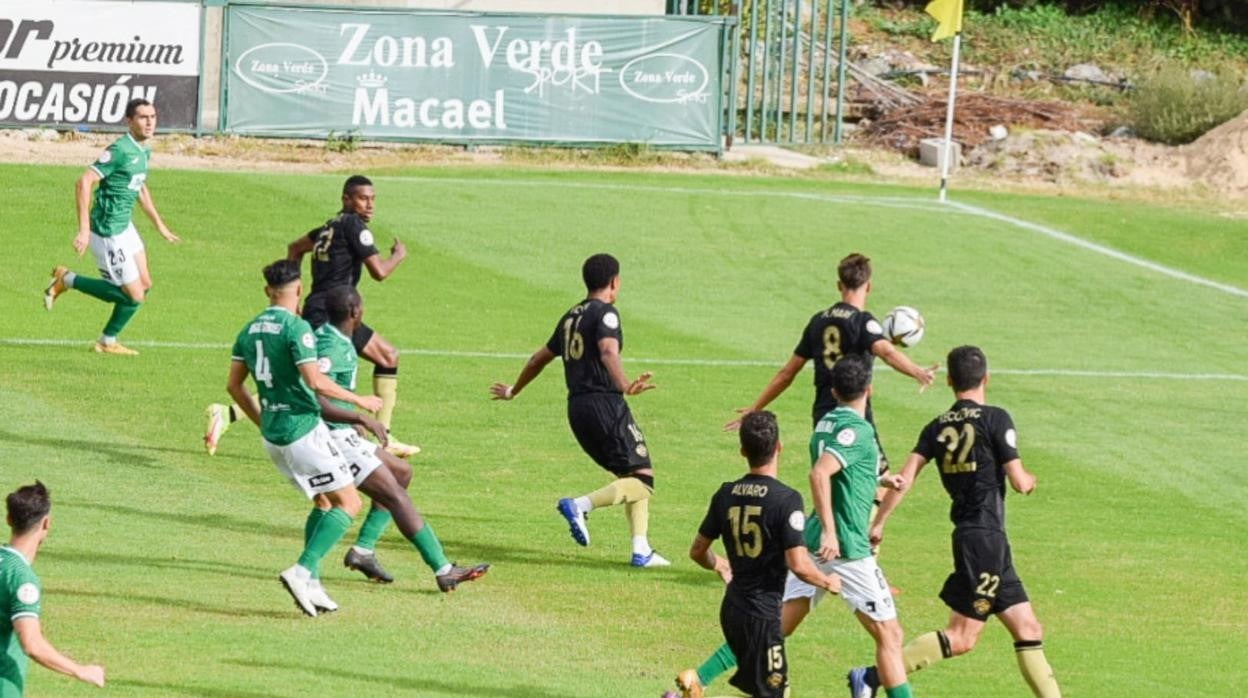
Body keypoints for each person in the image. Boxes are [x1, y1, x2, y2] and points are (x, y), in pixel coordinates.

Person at [677, 357, 914, 698]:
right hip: (847, 547)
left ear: (833, 390)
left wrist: (878, 478)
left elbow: (843, 471)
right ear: (869, 389)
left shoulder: (826, 423)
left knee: (775, 626)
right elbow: (820, 473)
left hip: (814, 541)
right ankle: (870, 684)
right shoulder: (860, 430)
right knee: (890, 637)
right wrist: (833, 532)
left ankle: (698, 678)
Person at [847, 346, 1060, 698]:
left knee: (1027, 627)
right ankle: (871, 677)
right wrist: (1032, 479)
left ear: (949, 381)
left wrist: (880, 522)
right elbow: (1020, 482)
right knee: (962, 637)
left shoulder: (935, 428)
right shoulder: (996, 419)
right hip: (984, 541)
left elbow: (904, 478)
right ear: (986, 378)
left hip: (982, 540)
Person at [205, 175, 418, 458]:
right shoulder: (354, 225)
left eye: (373, 199)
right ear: (346, 199)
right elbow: (379, 271)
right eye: (363, 198)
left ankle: (385, 437)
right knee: (314, 378)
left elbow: (295, 248)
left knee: (386, 357)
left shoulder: (329, 227)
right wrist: (399, 255)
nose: (369, 205)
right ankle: (229, 413)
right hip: (335, 313)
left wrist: (294, 297)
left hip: (324, 309)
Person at [225, 259, 383, 617]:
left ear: (268, 291)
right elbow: (316, 381)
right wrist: (361, 401)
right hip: (303, 431)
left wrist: (262, 420)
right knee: (349, 504)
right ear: (299, 290)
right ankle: (300, 570)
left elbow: (234, 386)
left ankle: (311, 580)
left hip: (274, 436)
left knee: (324, 503)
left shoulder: (248, 330)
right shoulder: (298, 329)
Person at [490, 253, 666, 567]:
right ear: (615, 282)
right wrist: (625, 384)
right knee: (643, 480)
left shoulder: (570, 316)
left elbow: (538, 359)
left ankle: (641, 549)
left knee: (634, 474)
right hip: (605, 404)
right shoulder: (607, 314)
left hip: (577, 408)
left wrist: (513, 390)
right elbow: (608, 350)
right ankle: (580, 505)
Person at [313, 285, 488, 592]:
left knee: (402, 472)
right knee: (394, 496)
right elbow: (316, 397)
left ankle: (363, 551)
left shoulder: (337, 339)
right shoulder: (331, 348)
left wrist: (352, 418)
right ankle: (443, 568)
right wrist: (359, 416)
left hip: (343, 432)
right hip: (333, 437)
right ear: (355, 312)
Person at [724, 253, 936, 500]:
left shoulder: (818, 321)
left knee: (834, 485)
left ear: (839, 285)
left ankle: (835, 535)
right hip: (855, 417)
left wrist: (755, 408)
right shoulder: (863, 321)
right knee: (875, 487)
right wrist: (918, 372)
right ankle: (864, 538)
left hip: (823, 417)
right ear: (868, 286)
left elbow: (786, 373)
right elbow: (887, 351)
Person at [687, 411, 840, 698]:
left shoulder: (725, 494)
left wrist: (719, 563)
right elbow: (798, 564)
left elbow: (697, 551)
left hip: (731, 610)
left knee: (776, 688)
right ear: (779, 446)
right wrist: (827, 581)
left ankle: (696, 683)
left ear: (743, 450)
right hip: (763, 617)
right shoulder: (787, 500)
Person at [44, 98, 180, 356]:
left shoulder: (143, 150)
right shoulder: (119, 150)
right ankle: (68, 280)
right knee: (134, 296)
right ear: (129, 121)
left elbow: (139, 186)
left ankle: (107, 340)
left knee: (145, 284)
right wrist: (84, 231)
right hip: (107, 232)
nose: (150, 122)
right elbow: (83, 182)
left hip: (124, 227)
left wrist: (159, 225)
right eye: (143, 117)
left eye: (152, 116)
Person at [2, 481, 106, 694]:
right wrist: (81, 670)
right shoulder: (22, 580)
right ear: (46, 523)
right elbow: (31, 644)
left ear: (9, 519)